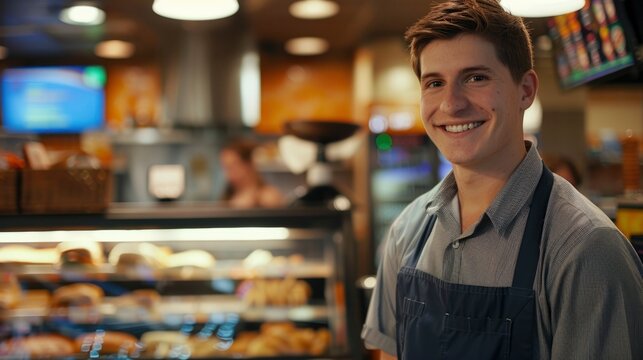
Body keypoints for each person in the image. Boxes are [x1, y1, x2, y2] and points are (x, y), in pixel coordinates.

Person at [361, 1, 643, 359]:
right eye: (434, 82)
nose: (451, 104)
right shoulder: (407, 230)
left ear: (526, 90)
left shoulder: (586, 249)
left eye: (476, 77)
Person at [219, 138, 285, 208]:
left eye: (233, 166)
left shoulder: (268, 197)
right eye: (226, 168)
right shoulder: (227, 196)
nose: (228, 174)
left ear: (249, 164)